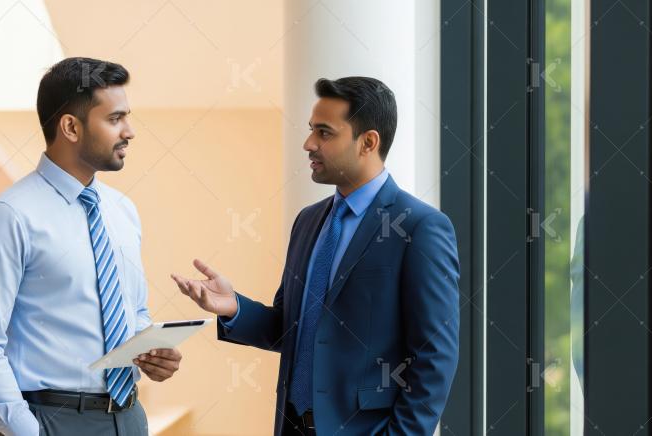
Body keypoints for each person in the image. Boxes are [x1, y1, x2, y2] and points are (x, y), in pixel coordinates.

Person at [171, 77, 460, 435]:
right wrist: (234, 308)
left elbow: (435, 359)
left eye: (324, 133)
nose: (309, 144)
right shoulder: (308, 222)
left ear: (368, 142)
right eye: (311, 131)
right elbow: (292, 329)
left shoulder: (420, 227)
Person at [0, 57, 181, 436]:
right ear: (71, 127)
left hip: (129, 417)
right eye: (115, 119)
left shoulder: (122, 211)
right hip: (54, 420)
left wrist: (151, 352)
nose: (130, 131)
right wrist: (28, 431)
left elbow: (133, 310)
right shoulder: (9, 217)